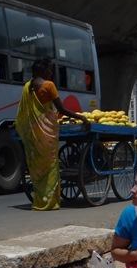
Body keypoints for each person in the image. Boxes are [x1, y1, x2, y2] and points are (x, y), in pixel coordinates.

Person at [14, 58, 89, 210]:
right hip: (46, 132)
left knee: (37, 166)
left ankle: (40, 200)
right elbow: (61, 109)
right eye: (49, 69)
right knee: (50, 166)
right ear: (43, 70)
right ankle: (49, 202)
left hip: (34, 132)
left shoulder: (27, 87)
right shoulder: (49, 85)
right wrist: (81, 117)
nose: (51, 72)